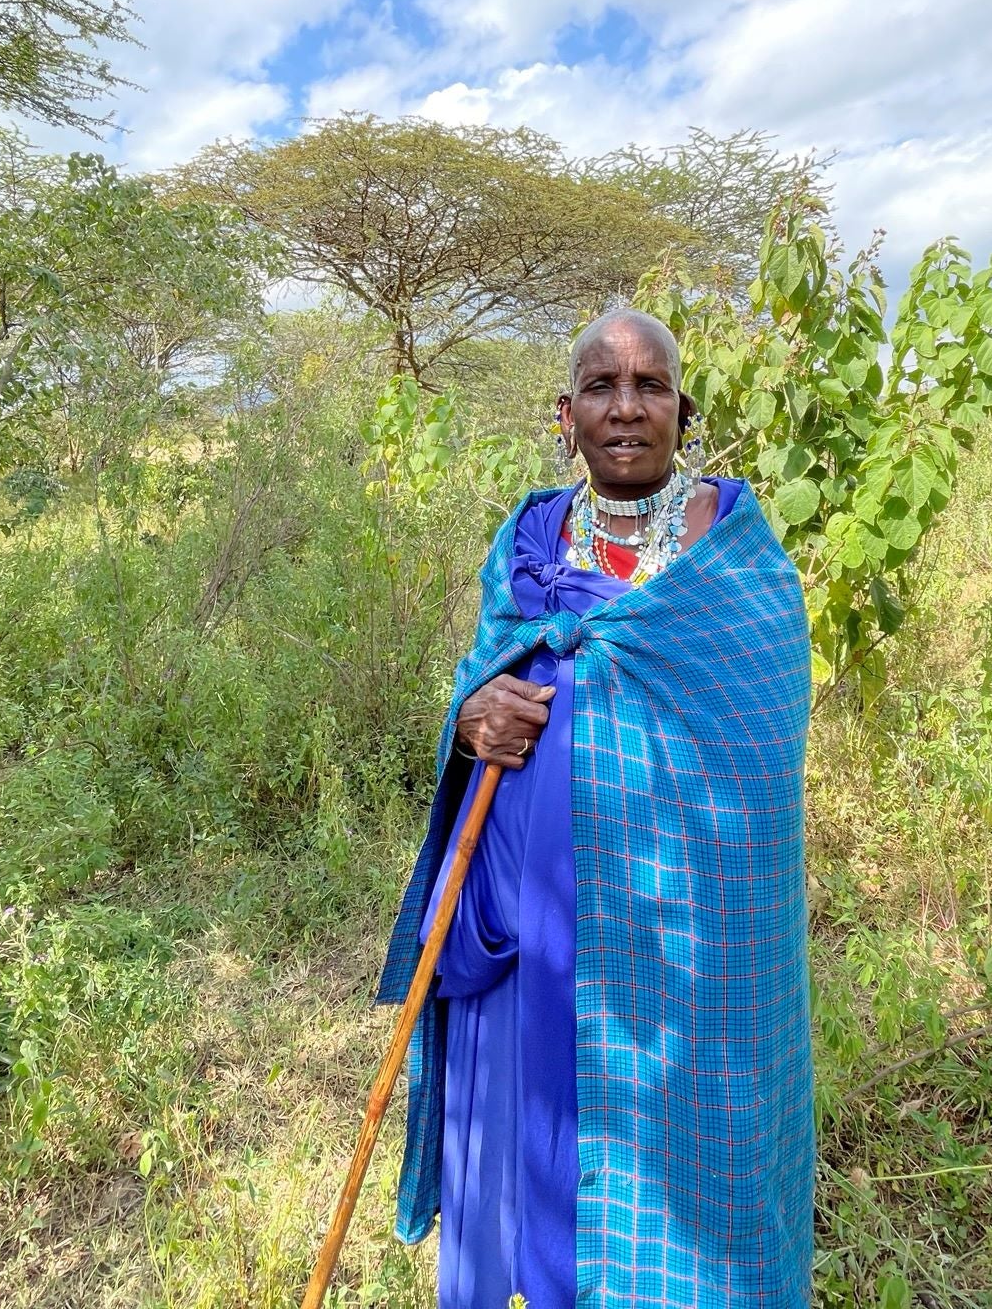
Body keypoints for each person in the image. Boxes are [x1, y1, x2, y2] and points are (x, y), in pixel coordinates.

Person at [377, 308, 816, 1308]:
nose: (626, 406)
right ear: (564, 414)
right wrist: (470, 713)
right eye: (601, 386)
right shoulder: (530, 541)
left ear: (681, 410)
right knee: (549, 1157)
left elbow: (760, 739)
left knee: (687, 1169)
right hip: (538, 933)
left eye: (649, 385)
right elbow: (476, 680)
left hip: (684, 946)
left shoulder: (735, 555)